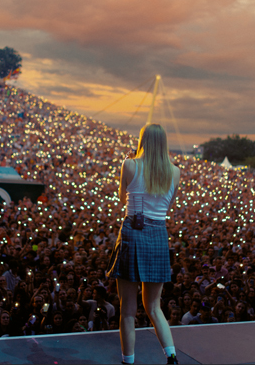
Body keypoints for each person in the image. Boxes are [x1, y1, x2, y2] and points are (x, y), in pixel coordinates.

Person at [107, 124, 181, 365]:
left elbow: (121, 197)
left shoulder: (130, 165)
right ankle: (171, 356)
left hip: (133, 232)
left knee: (128, 310)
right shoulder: (175, 171)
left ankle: (128, 362)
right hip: (158, 234)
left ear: (142, 141)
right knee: (154, 306)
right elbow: (166, 208)